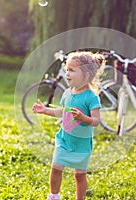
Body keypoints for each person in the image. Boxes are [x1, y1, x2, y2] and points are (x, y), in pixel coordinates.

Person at [32, 51, 104, 200]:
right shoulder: (67, 93)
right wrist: (45, 110)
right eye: (66, 70)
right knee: (56, 168)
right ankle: (54, 196)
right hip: (64, 139)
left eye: (72, 70)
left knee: (79, 175)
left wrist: (84, 118)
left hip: (81, 144)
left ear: (86, 75)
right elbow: (62, 112)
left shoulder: (91, 97)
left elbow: (96, 121)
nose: (67, 74)